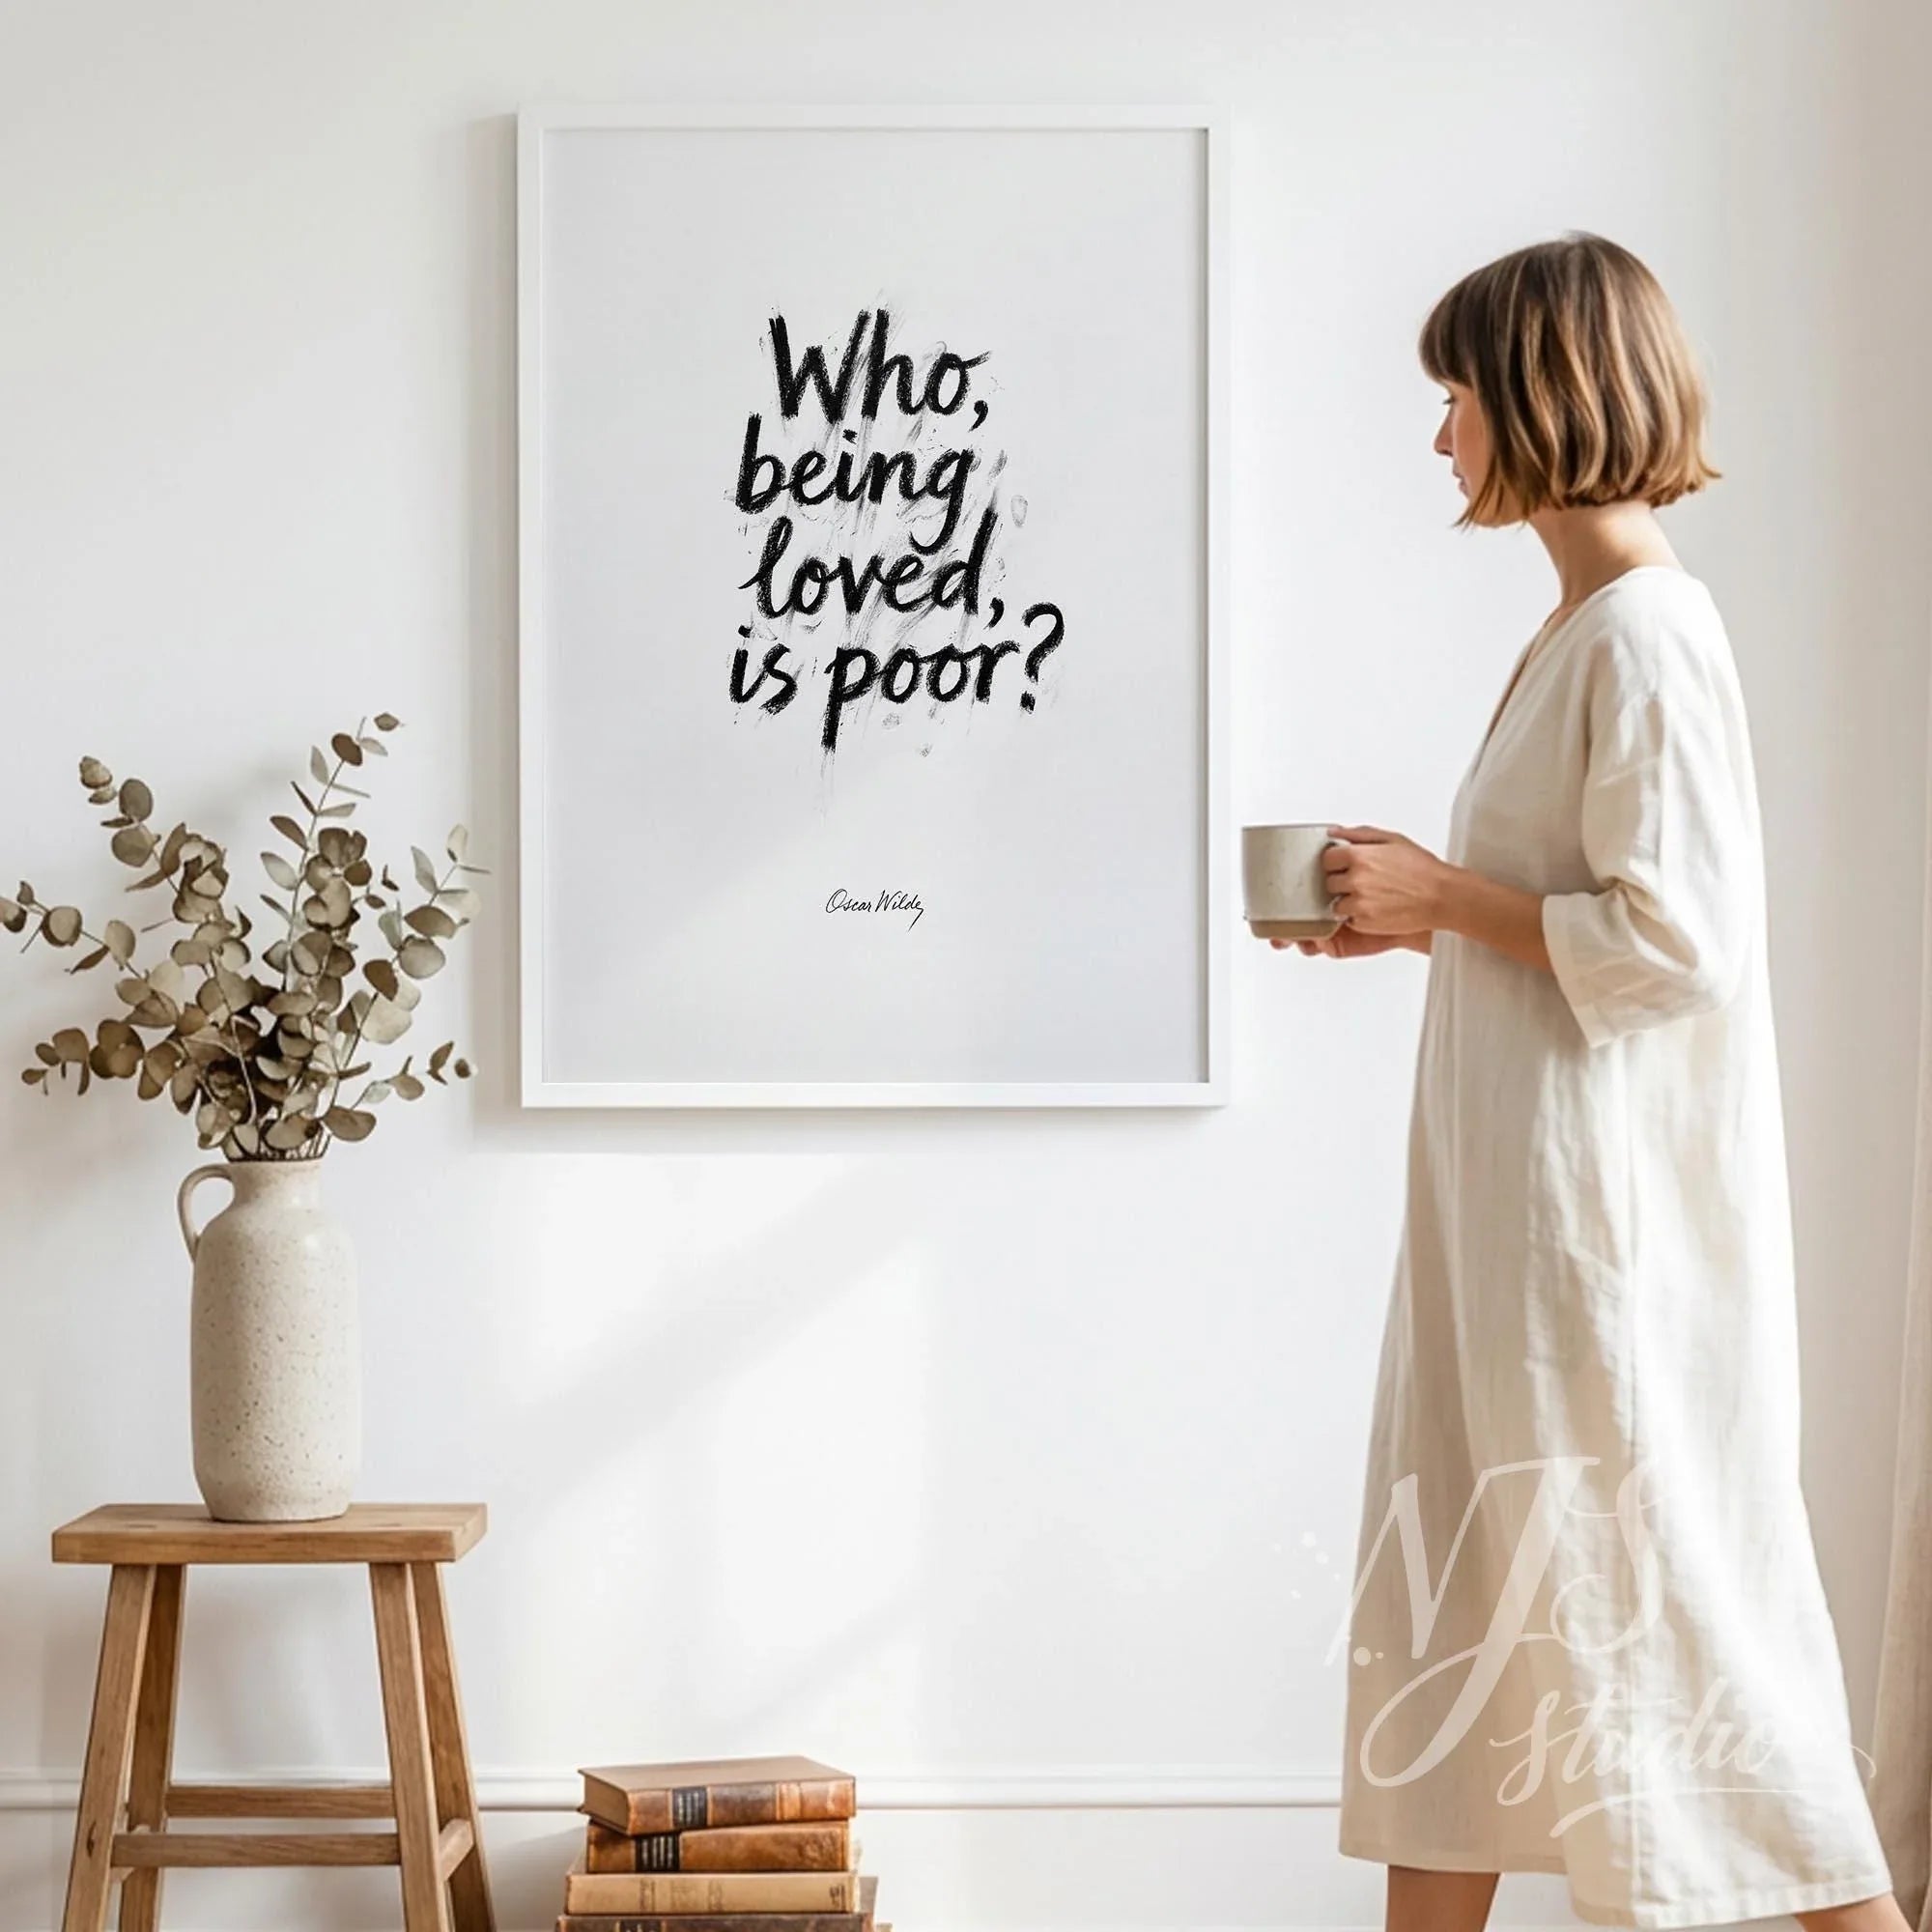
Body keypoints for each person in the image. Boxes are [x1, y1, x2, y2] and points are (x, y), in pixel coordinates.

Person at [1291, 233, 1907, 1932]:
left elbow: (1677, 942)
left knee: (1690, 1642)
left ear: (1542, 395)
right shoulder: (1580, 627)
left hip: (1598, 1253)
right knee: (1465, 1623)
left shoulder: (1647, 632)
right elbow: (1574, 921)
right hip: (1508, 1233)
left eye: (1458, 398)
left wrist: (1445, 897)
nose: (1441, 438)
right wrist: (1417, 916)